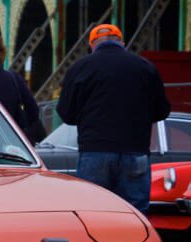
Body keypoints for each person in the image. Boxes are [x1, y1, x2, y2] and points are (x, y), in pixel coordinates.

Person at [56, 24, 170, 214]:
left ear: (92, 44)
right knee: (135, 214)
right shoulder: (145, 67)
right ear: (122, 43)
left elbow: (66, 113)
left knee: (92, 212)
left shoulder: (80, 67)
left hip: (95, 151)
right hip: (135, 151)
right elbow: (162, 111)